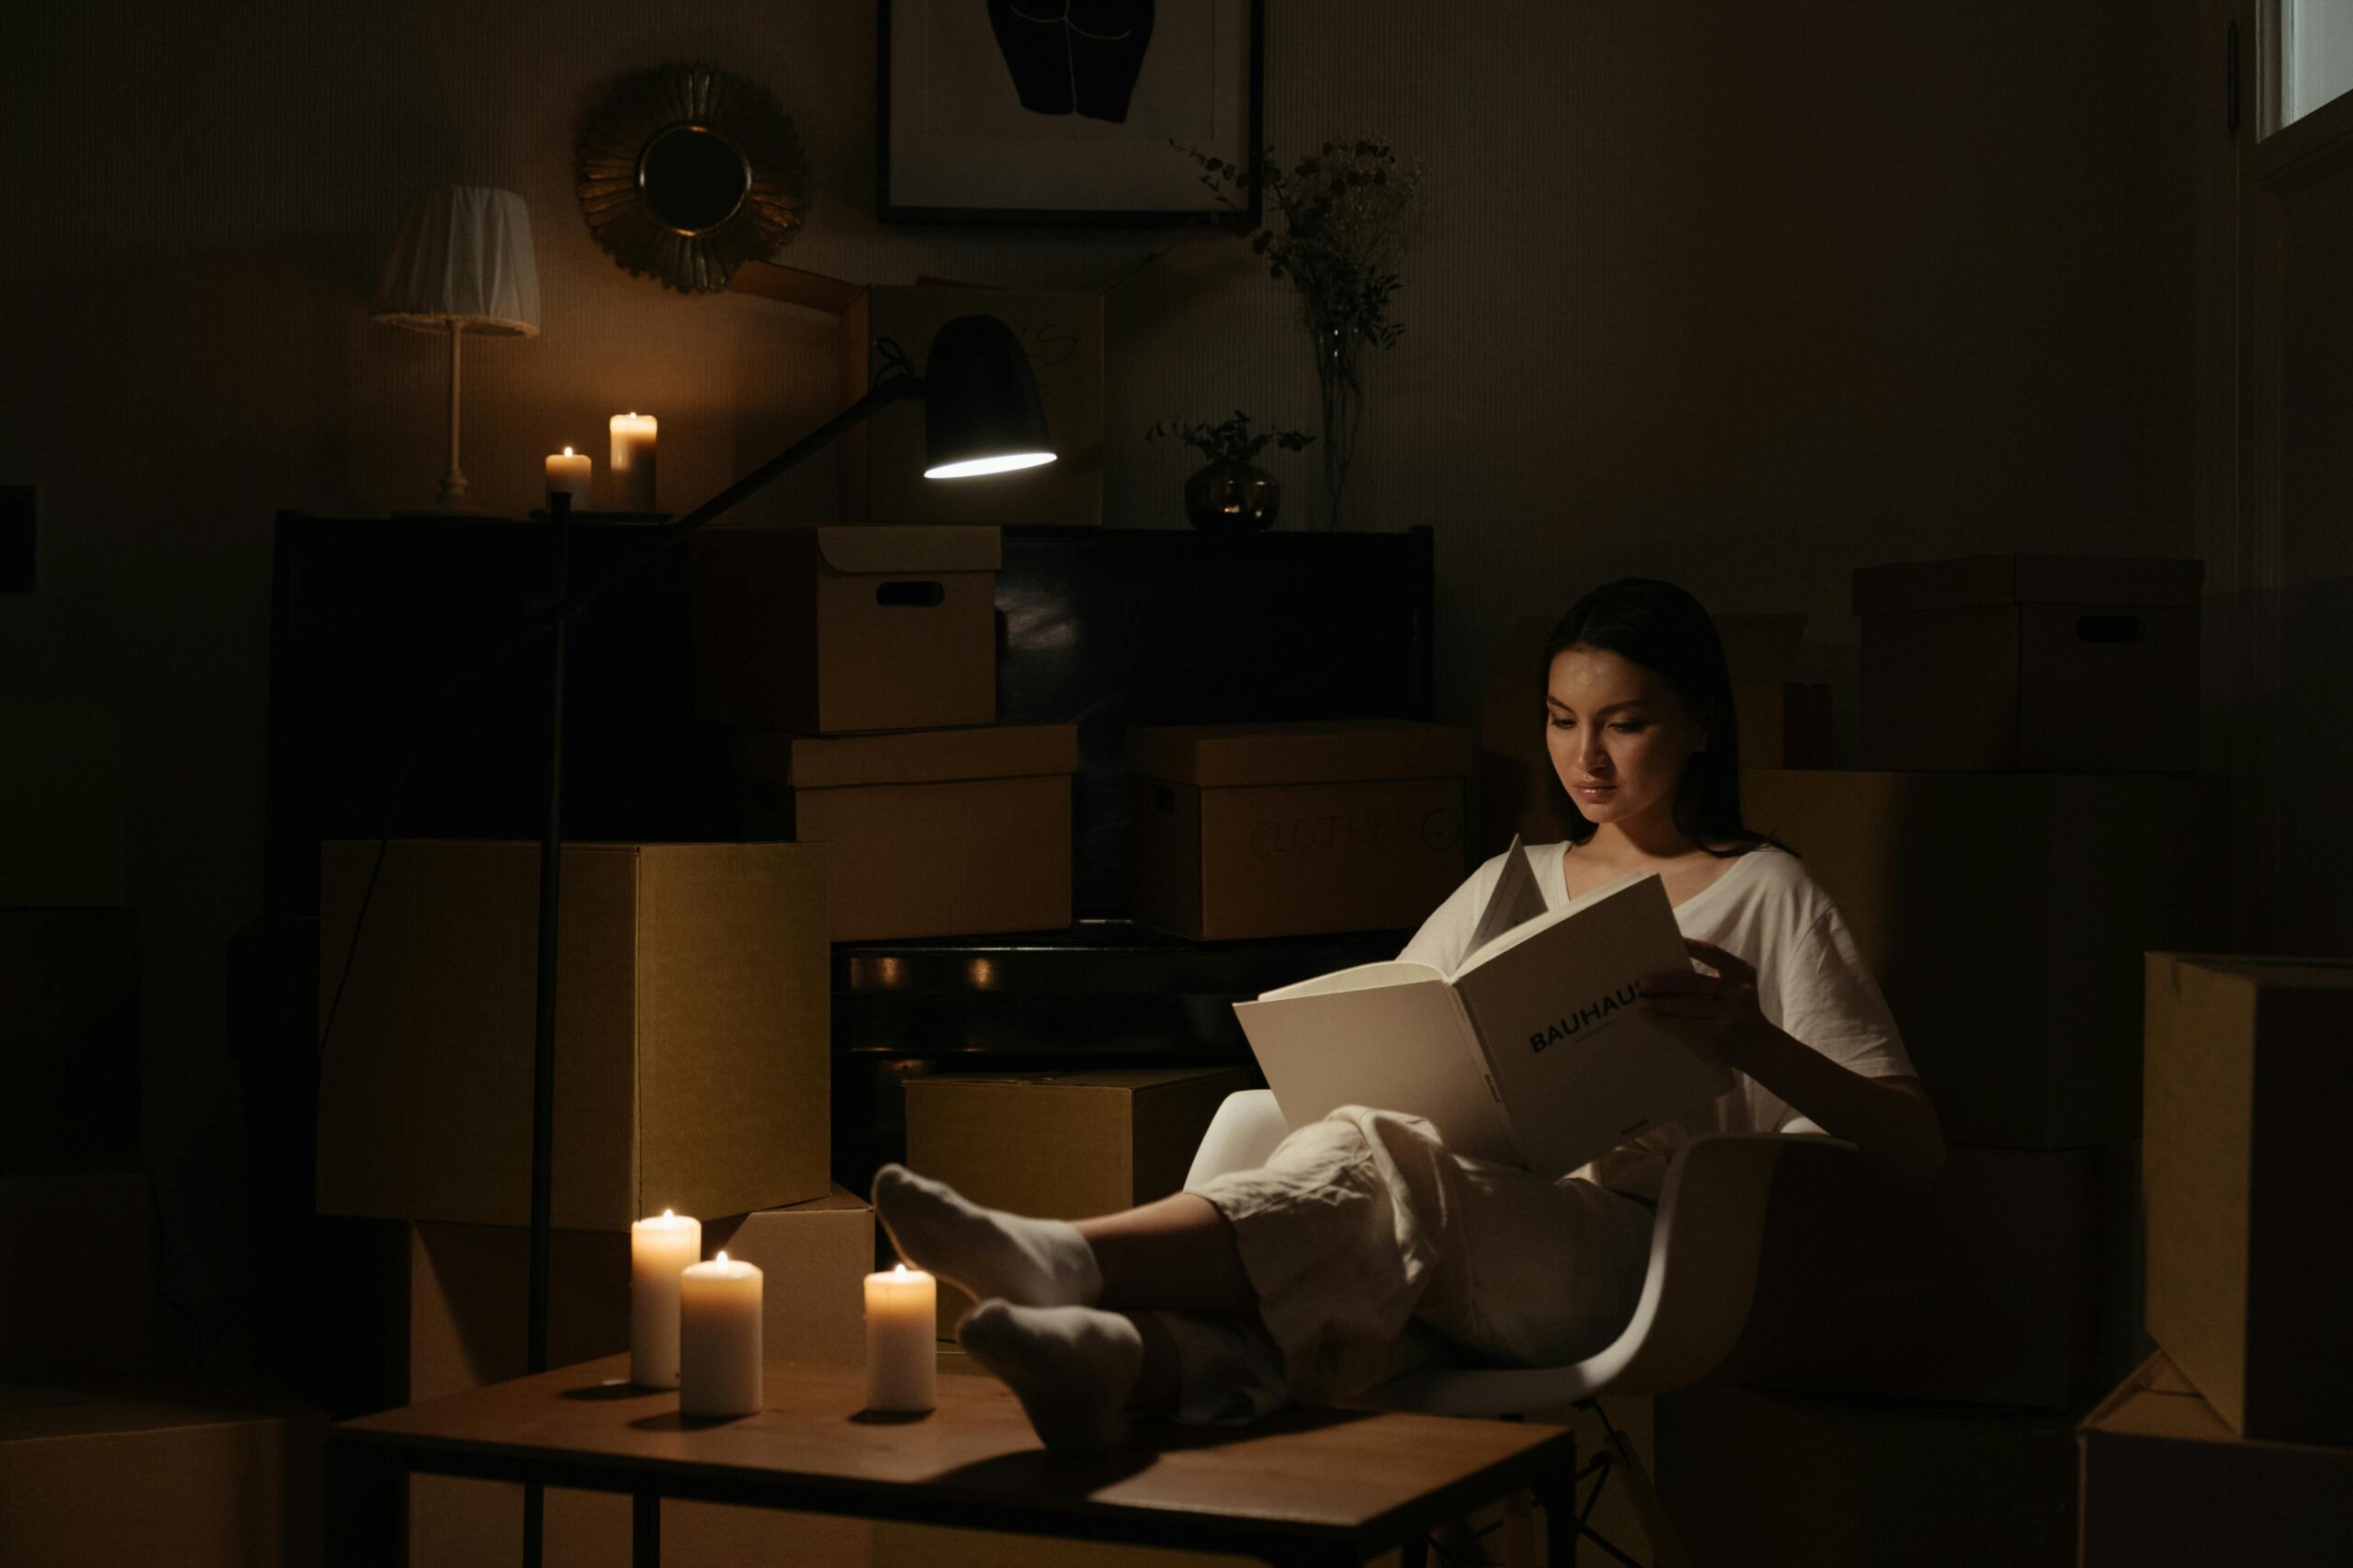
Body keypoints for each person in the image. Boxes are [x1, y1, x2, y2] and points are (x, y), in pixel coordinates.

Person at [871, 578, 1944, 1455]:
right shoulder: (1506, 882)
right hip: (1454, 1220)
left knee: (1381, 1165)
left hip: (1623, 1255)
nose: (1588, 758)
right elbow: (1401, 1036)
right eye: (1563, 723)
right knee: (1343, 1159)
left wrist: (1751, 1040)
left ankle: (1072, 1258)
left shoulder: (1765, 890)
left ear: (1700, 723)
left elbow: (1913, 1143)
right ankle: (1124, 1356)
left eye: (1626, 722)